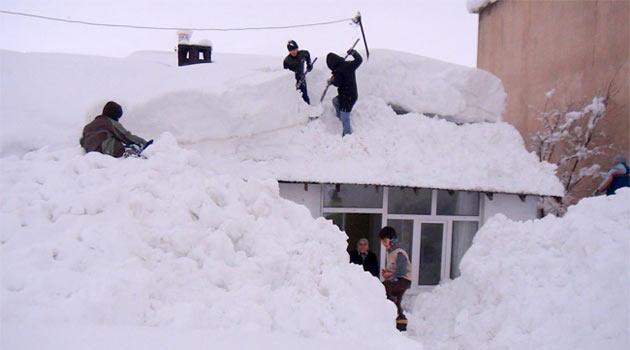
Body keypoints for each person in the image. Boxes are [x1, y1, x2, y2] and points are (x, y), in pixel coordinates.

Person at [80, 101, 150, 158]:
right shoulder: (110, 122)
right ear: (114, 115)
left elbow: (82, 141)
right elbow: (126, 136)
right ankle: (133, 157)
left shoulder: (88, 126)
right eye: (118, 117)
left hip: (90, 151)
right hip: (107, 149)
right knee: (129, 147)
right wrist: (144, 142)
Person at [379, 226, 412, 331]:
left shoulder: (399, 252)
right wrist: (387, 273)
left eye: (385, 241)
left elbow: (401, 270)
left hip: (402, 280)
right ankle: (401, 323)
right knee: (397, 302)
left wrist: (390, 276)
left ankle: (391, 302)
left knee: (383, 287)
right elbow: (394, 268)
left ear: (392, 239)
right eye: (382, 241)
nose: (384, 244)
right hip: (397, 280)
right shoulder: (391, 252)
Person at [326, 48, 362, 136]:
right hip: (350, 95)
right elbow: (359, 60)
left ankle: (347, 135)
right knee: (335, 101)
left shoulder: (338, 72)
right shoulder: (348, 64)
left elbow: (338, 83)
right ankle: (339, 119)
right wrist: (354, 53)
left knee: (345, 116)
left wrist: (331, 81)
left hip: (348, 98)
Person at [283, 40, 313, 104]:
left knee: (305, 95)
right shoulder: (287, 61)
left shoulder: (303, 54)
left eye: (295, 49)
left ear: (297, 48)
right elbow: (285, 74)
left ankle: (308, 110)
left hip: (302, 77)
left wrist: (309, 64)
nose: (293, 51)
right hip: (293, 82)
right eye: (291, 50)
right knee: (295, 98)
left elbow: (307, 55)